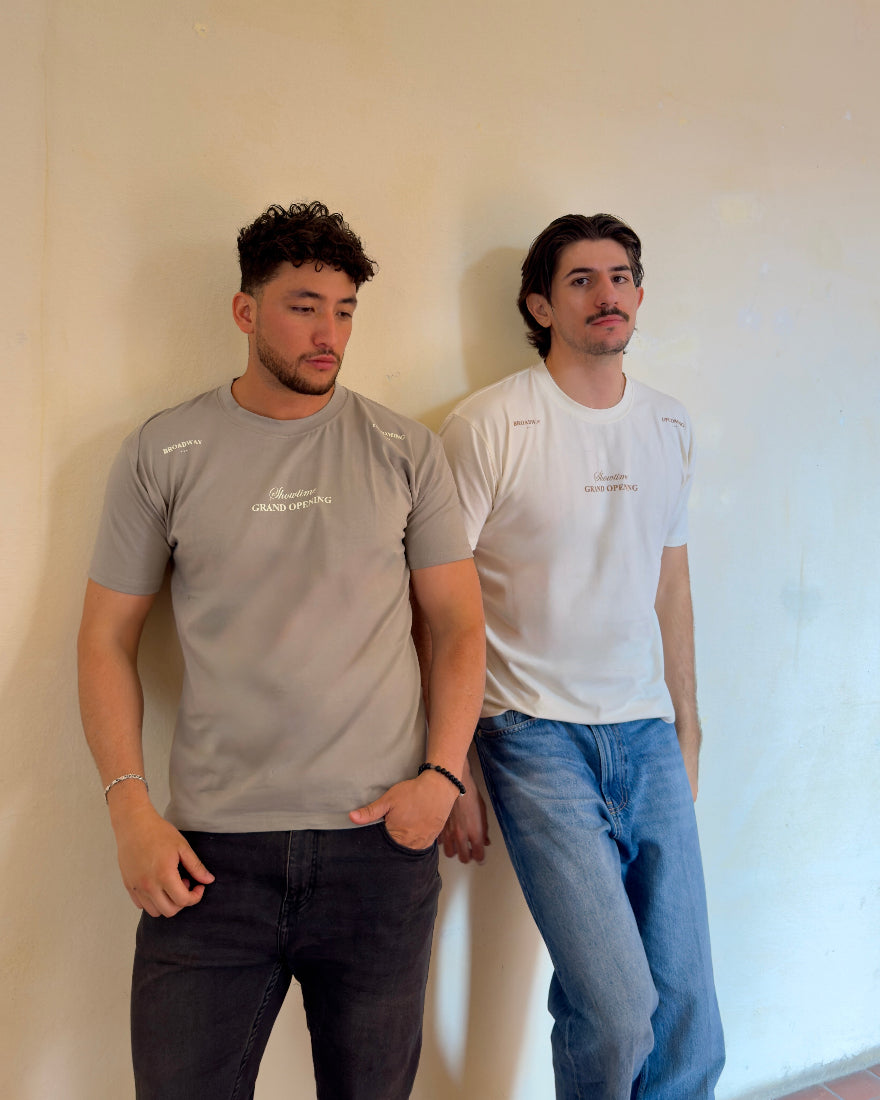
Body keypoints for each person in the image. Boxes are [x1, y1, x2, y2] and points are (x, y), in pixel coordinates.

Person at [77, 201, 485, 1100]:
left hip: (378, 848)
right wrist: (130, 813)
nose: (329, 332)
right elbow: (105, 638)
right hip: (209, 863)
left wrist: (444, 778)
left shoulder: (403, 450)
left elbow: (458, 626)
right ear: (245, 310)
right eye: (305, 305)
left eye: (344, 309)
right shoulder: (164, 449)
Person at [439, 214, 725, 1098]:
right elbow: (439, 609)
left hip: (645, 729)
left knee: (688, 1018)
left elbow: (669, 586)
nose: (609, 294)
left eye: (622, 276)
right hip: (530, 735)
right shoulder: (490, 425)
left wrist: (689, 723)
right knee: (614, 1007)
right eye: (583, 280)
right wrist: (450, 767)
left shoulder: (670, 424)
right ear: (540, 304)